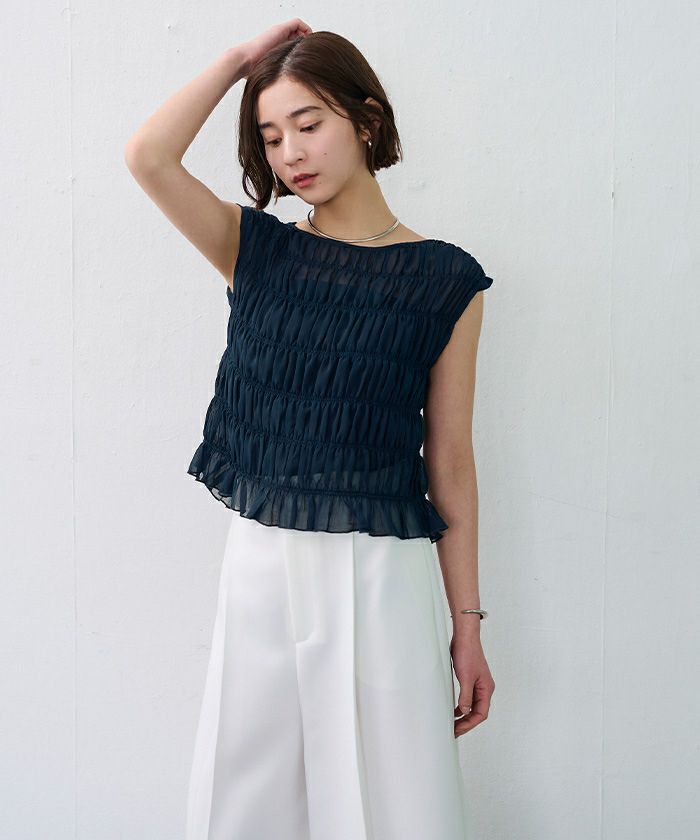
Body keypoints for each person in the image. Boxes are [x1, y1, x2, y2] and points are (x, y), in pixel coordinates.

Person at [124, 20, 496, 840]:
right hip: (263, 565)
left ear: (366, 119)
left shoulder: (446, 280)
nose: (290, 152)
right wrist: (237, 64)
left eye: (308, 123)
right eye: (270, 136)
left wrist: (466, 628)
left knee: (393, 800)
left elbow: (451, 463)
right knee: (251, 797)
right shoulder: (253, 250)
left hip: (384, 574)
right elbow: (148, 156)